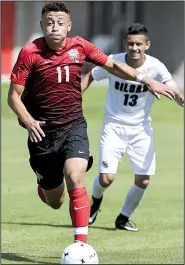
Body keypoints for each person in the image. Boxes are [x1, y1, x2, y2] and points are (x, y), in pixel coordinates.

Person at [7, 0, 176, 246]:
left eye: (60, 23)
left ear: (69, 26)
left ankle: (81, 246)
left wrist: (145, 79)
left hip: (74, 126)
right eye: (49, 23)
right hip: (42, 133)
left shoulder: (80, 46)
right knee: (56, 201)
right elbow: (13, 95)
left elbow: (114, 66)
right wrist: (28, 119)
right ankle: (45, 186)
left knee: (76, 177)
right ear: (42, 25)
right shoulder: (29, 52)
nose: (55, 27)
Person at [81, 23, 184, 232]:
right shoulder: (115, 62)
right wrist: (75, 96)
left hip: (141, 130)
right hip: (114, 127)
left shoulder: (155, 66)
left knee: (144, 180)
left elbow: (169, 84)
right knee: (106, 178)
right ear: (125, 44)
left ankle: (123, 218)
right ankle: (95, 203)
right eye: (130, 43)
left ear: (147, 45)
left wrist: (179, 97)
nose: (134, 48)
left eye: (138, 44)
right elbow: (92, 74)